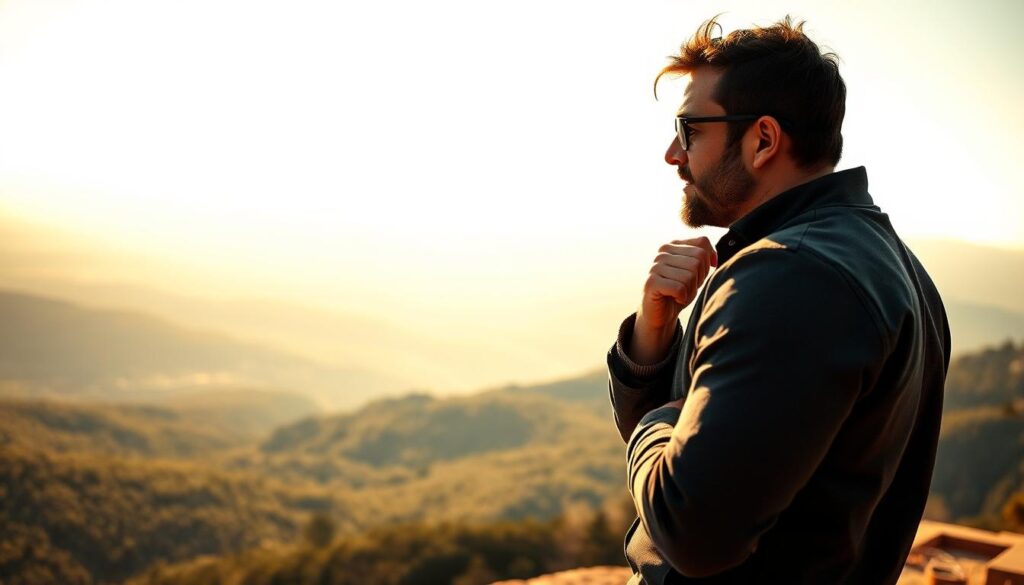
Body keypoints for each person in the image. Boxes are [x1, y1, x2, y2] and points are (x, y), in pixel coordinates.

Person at [606, 16, 951, 585]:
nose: (673, 153)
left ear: (763, 139)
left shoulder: (790, 277)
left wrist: (658, 424)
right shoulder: (890, 261)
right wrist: (655, 330)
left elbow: (691, 529)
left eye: (689, 129)